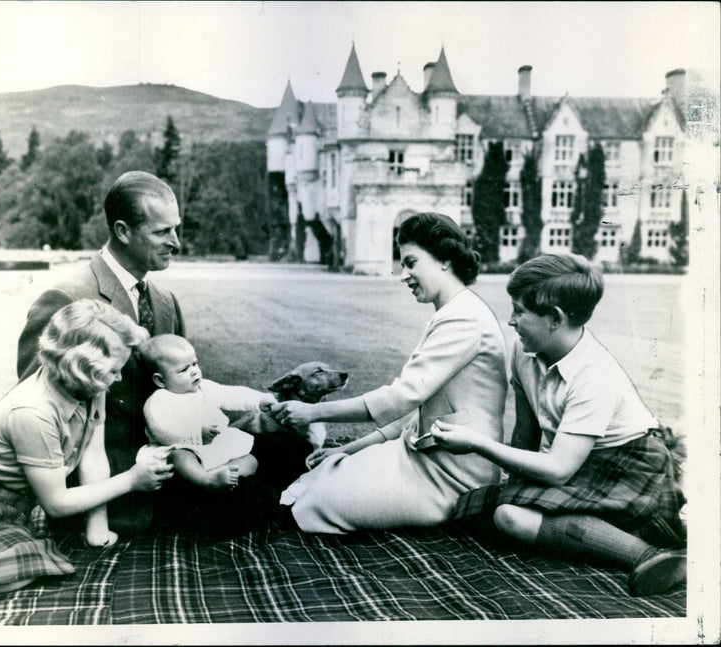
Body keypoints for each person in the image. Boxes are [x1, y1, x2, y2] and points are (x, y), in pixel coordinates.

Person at [431, 253, 687, 597]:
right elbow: (526, 430)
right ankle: (608, 533)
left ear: (555, 318)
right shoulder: (524, 351)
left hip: (632, 467)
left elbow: (558, 471)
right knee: (476, 509)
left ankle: (650, 555)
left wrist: (479, 444)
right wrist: (517, 489)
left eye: (520, 311)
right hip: (577, 463)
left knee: (509, 517)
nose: (511, 321)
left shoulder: (594, 376)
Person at [271, 212, 508, 534]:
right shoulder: (453, 312)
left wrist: (312, 412)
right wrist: (346, 448)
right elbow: (409, 413)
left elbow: (399, 399)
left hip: (454, 477)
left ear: (445, 259)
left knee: (311, 505)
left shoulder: (463, 319)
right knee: (322, 473)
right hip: (422, 457)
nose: (403, 275)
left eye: (411, 263)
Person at [0, 300, 173, 600]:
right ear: (81, 368)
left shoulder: (91, 386)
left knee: (31, 556)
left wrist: (97, 530)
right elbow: (56, 503)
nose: (118, 378)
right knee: (23, 566)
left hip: (19, 500)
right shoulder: (33, 410)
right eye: (114, 371)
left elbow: (92, 455)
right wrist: (131, 479)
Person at [17, 171, 186, 533]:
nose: (176, 241)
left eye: (176, 229)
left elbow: (183, 393)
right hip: (98, 499)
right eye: (162, 232)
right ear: (122, 231)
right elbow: (36, 414)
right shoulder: (66, 299)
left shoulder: (165, 302)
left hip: (169, 478)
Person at [138, 334, 269, 491]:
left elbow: (232, 394)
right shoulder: (161, 399)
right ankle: (207, 480)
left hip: (213, 446)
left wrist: (259, 401)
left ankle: (225, 474)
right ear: (160, 380)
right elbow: (160, 427)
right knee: (181, 457)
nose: (194, 371)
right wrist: (196, 433)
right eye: (184, 369)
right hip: (183, 447)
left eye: (194, 364)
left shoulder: (205, 387)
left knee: (250, 460)